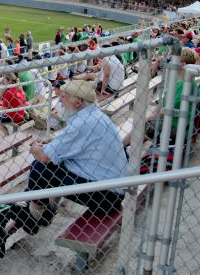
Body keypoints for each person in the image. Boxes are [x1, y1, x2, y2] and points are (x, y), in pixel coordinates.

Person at [25, 80, 127, 222]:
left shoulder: (82, 123)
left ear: (78, 102)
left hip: (105, 197)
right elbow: (72, 139)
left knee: (40, 167)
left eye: (64, 97)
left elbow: (44, 157)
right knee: (58, 163)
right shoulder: (94, 114)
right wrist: (52, 140)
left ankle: (35, 213)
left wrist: (33, 148)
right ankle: (41, 206)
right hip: (112, 190)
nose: (60, 100)